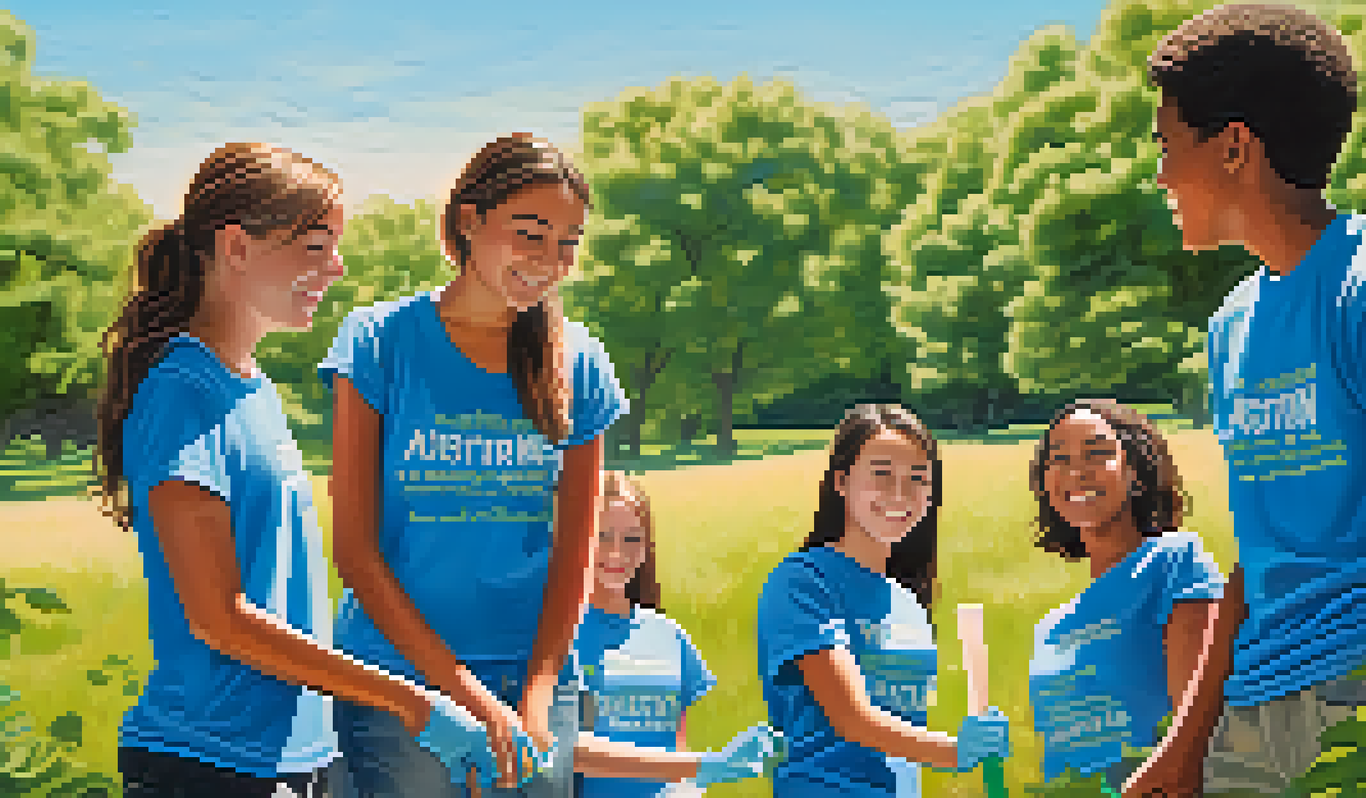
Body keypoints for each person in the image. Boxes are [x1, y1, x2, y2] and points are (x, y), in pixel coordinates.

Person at [1138, 5, 1366, 796]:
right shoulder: (1233, 324)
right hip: (1256, 709)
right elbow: (1260, 560)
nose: (1160, 175)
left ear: (1234, 146)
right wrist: (1186, 743)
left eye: (1167, 147)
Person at [97, 143, 505, 797]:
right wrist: (412, 702)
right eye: (315, 247)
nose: (336, 268)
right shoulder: (182, 392)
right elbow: (218, 616)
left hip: (294, 761)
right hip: (209, 763)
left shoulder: (253, 387)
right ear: (236, 247)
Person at [321, 134, 623, 797]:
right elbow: (355, 553)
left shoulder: (581, 363)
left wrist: (539, 694)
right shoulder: (379, 342)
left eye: (568, 241)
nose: (549, 259)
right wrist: (461, 698)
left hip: (534, 687)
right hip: (400, 689)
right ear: (468, 219)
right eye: (530, 233)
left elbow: (575, 555)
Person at [756, 403, 1013, 797]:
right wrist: (957, 751)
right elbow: (851, 718)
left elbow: (903, 724)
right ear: (841, 481)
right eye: (882, 475)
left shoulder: (908, 601)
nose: (901, 493)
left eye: (917, 478)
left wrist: (979, 738)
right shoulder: (803, 580)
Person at [1025, 400, 1226, 793]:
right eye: (1059, 459)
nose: (1076, 472)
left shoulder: (1175, 562)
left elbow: (1199, 728)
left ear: (1135, 473)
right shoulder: (1048, 630)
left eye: (1096, 453)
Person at [571, 470, 782, 797]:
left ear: (647, 546)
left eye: (631, 539)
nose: (617, 553)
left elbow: (677, 739)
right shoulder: (562, 637)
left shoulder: (669, 636)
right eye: (603, 536)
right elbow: (568, 750)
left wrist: (690, 786)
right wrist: (703, 765)